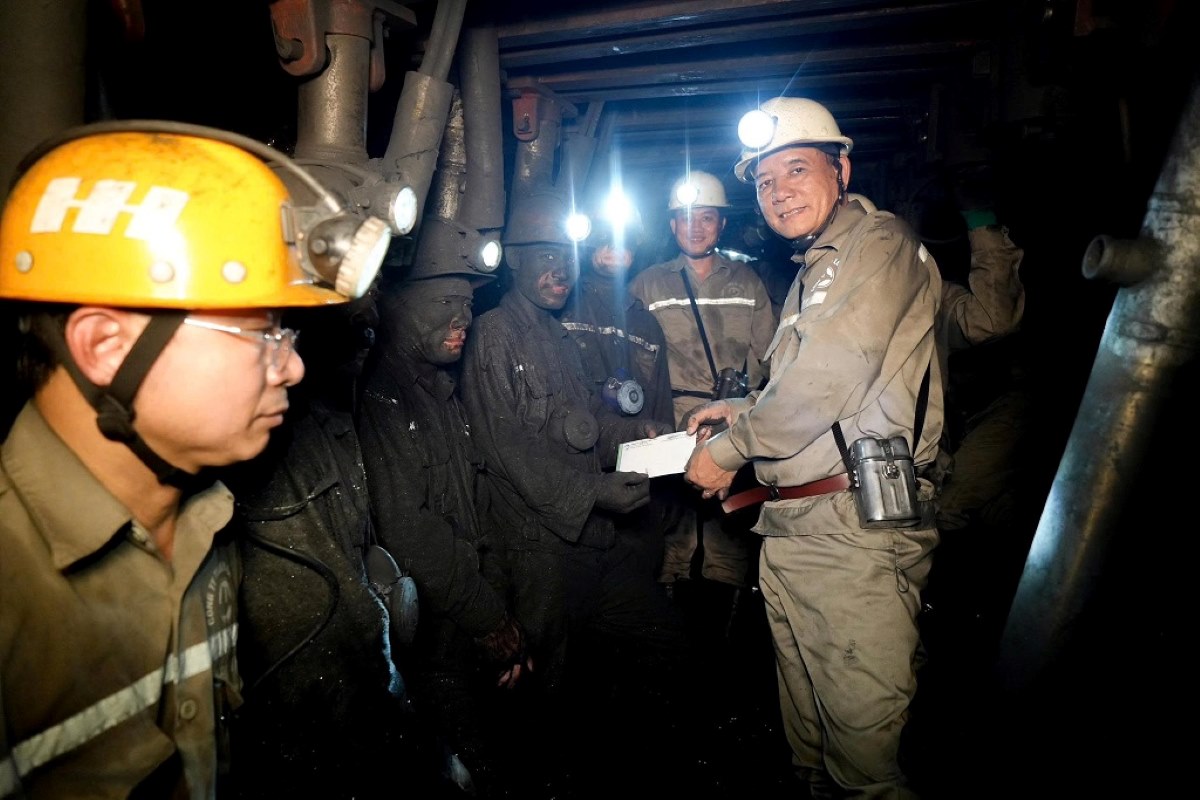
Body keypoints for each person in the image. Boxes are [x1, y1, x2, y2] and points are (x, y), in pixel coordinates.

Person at [0, 125, 371, 796]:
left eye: (287, 333)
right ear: (105, 347)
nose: (292, 367)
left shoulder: (206, 525)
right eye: (261, 334)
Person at [682, 96, 946, 798]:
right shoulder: (814, 269)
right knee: (813, 758)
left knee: (864, 770)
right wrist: (742, 408)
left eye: (797, 169)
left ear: (842, 169)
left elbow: (829, 378)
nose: (779, 192)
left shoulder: (880, 245)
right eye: (765, 182)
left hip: (851, 536)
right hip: (796, 529)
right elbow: (815, 389)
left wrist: (728, 451)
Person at [458, 187, 690, 798]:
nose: (560, 269)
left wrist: (636, 433)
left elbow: (587, 420)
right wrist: (596, 492)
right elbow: (507, 449)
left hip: (591, 543)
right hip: (538, 552)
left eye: (566, 255)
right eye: (545, 257)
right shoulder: (493, 335)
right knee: (543, 690)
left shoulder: (559, 336)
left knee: (665, 644)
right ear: (514, 261)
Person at [222, 288, 465, 799]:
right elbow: (320, 641)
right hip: (321, 730)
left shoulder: (335, 420)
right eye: (349, 322)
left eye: (370, 320)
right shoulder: (285, 445)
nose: (366, 334)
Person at [355, 246, 530, 798]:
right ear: (402, 307)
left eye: (467, 304)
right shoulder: (381, 398)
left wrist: (499, 615)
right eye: (444, 303)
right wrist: (490, 619)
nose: (462, 318)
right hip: (430, 644)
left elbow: (479, 510)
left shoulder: (442, 392)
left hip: (465, 620)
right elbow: (410, 532)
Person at [628, 169, 777, 642]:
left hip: (731, 421)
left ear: (722, 224)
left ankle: (722, 645)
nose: (696, 227)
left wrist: (749, 410)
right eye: (687, 218)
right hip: (670, 422)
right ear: (673, 224)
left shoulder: (747, 281)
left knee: (727, 529)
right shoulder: (647, 285)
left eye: (707, 217)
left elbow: (771, 357)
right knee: (667, 530)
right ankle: (665, 640)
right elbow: (627, 358)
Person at [560, 198, 675, 581]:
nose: (614, 249)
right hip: (577, 480)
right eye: (604, 238)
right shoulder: (561, 307)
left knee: (636, 586)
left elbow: (660, 405)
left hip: (634, 485)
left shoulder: (646, 323)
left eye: (624, 240)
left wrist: (666, 489)